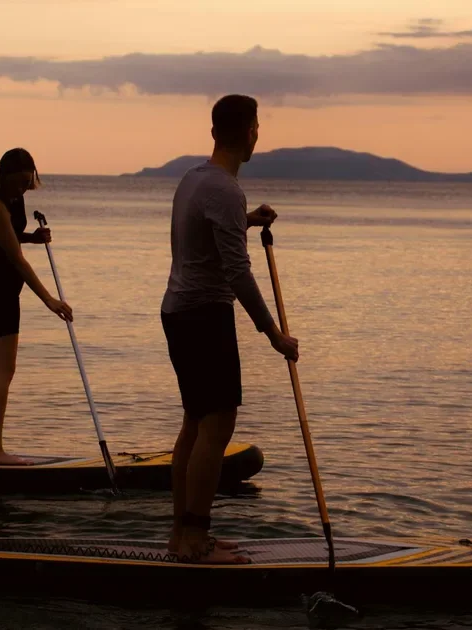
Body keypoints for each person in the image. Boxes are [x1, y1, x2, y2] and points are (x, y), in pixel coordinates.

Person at [161, 94, 300, 563]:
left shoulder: (194, 179)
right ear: (250, 132)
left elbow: (207, 230)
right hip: (204, 315)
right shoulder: (224, 189)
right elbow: (237, 273)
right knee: (216, 428)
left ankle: (182, 534)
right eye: (258, 126)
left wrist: (247, 220)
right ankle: (195, 541)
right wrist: (274, 334)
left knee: (194, 425)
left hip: (178, 311)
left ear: (215, 131)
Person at [0, 148, 73, 465]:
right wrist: (49, 299)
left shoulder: (13, 199)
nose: (24, 189)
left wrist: (32, 237)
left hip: (1, 289)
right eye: (19, 182)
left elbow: (8, 238)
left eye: (28, 183)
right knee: (3, 371)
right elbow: (16, 259)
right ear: (4, 176)